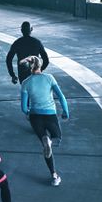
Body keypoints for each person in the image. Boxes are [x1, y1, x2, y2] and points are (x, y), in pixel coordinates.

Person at [20, 56, 69, 186]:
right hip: (50, 114)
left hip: (35, 116)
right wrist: (65, 111)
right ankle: (50, 141)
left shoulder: (25, 82)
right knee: (57, 137)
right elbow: (61, 96)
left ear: (29, 67)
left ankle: (54, 174)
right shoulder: (49, 78)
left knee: (44, 143)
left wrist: (28, 113)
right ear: (41, 66)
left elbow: (24, 108)